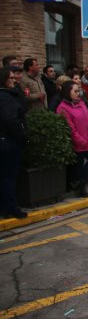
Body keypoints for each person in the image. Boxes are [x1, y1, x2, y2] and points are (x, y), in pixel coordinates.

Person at [56, 81, 88, 197]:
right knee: (78, 167)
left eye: (78, 91)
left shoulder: (82, 103)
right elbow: (71, 129)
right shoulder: (62, 108)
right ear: (67, 92)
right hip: (78, 143)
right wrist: (80, 140)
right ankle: (80, 187)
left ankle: (79, 183)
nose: (78, 94)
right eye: (75, 91)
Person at [0, 67, 28, 218]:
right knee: (9, 176)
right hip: (8, 143)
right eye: (10, 78)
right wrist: (22, 135)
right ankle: (10, 207)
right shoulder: (5, 97)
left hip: (6, 141)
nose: (14, 80)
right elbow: (11, 120)